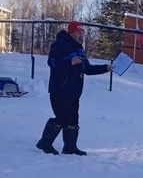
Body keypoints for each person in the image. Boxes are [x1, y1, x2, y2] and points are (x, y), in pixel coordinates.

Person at [36, 21, 112, 155]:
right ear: (71, 33)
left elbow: (87, 69)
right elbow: (52, 62)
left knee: (73, 119)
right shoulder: (60, 44)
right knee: (62, 117)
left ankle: (70, 147)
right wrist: (69, 62)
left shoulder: (79, 49)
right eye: (78, 32)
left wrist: (105, 68)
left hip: (74, 91)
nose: (81, 35)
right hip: (60, 90)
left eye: (83, 32)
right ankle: (45, 143)